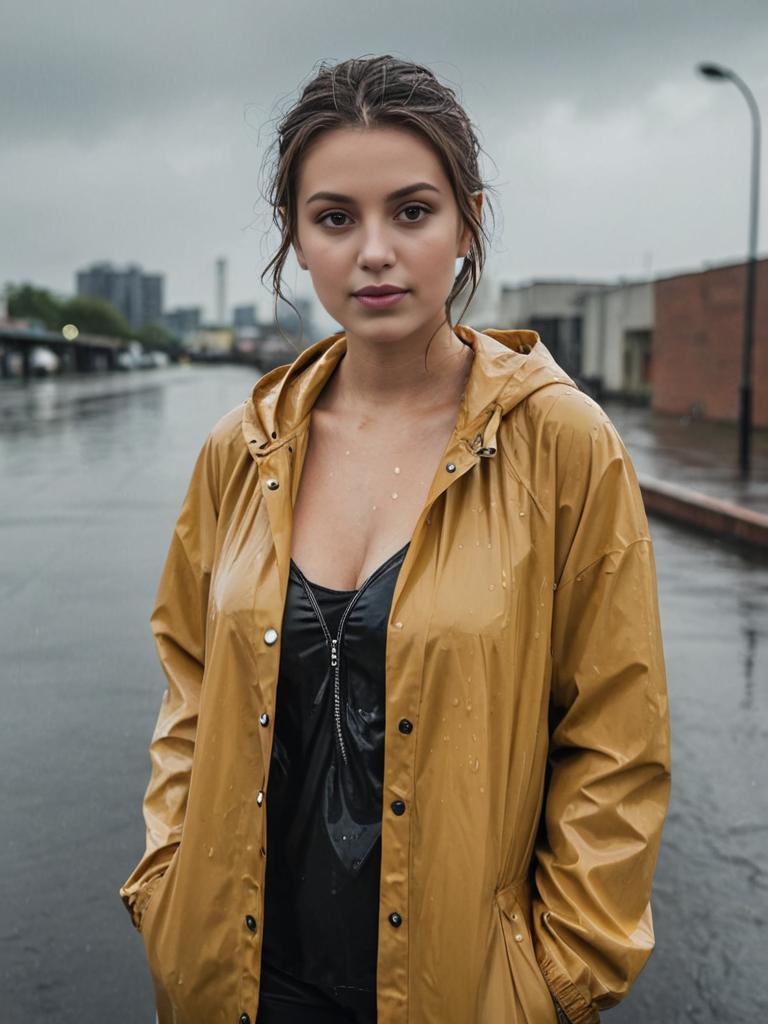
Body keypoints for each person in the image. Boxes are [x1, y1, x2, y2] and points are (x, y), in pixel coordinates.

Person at [119, 54, 672, 1024]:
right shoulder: (239, 451)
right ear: (296, 238)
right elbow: (190, 687)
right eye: (336, 217)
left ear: (467, 222)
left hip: (458, 990)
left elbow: (617, 736)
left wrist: (555, 977)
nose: (375, 250)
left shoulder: (562, 444)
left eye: (411, 211)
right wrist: (168, 876)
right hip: (243, 985)